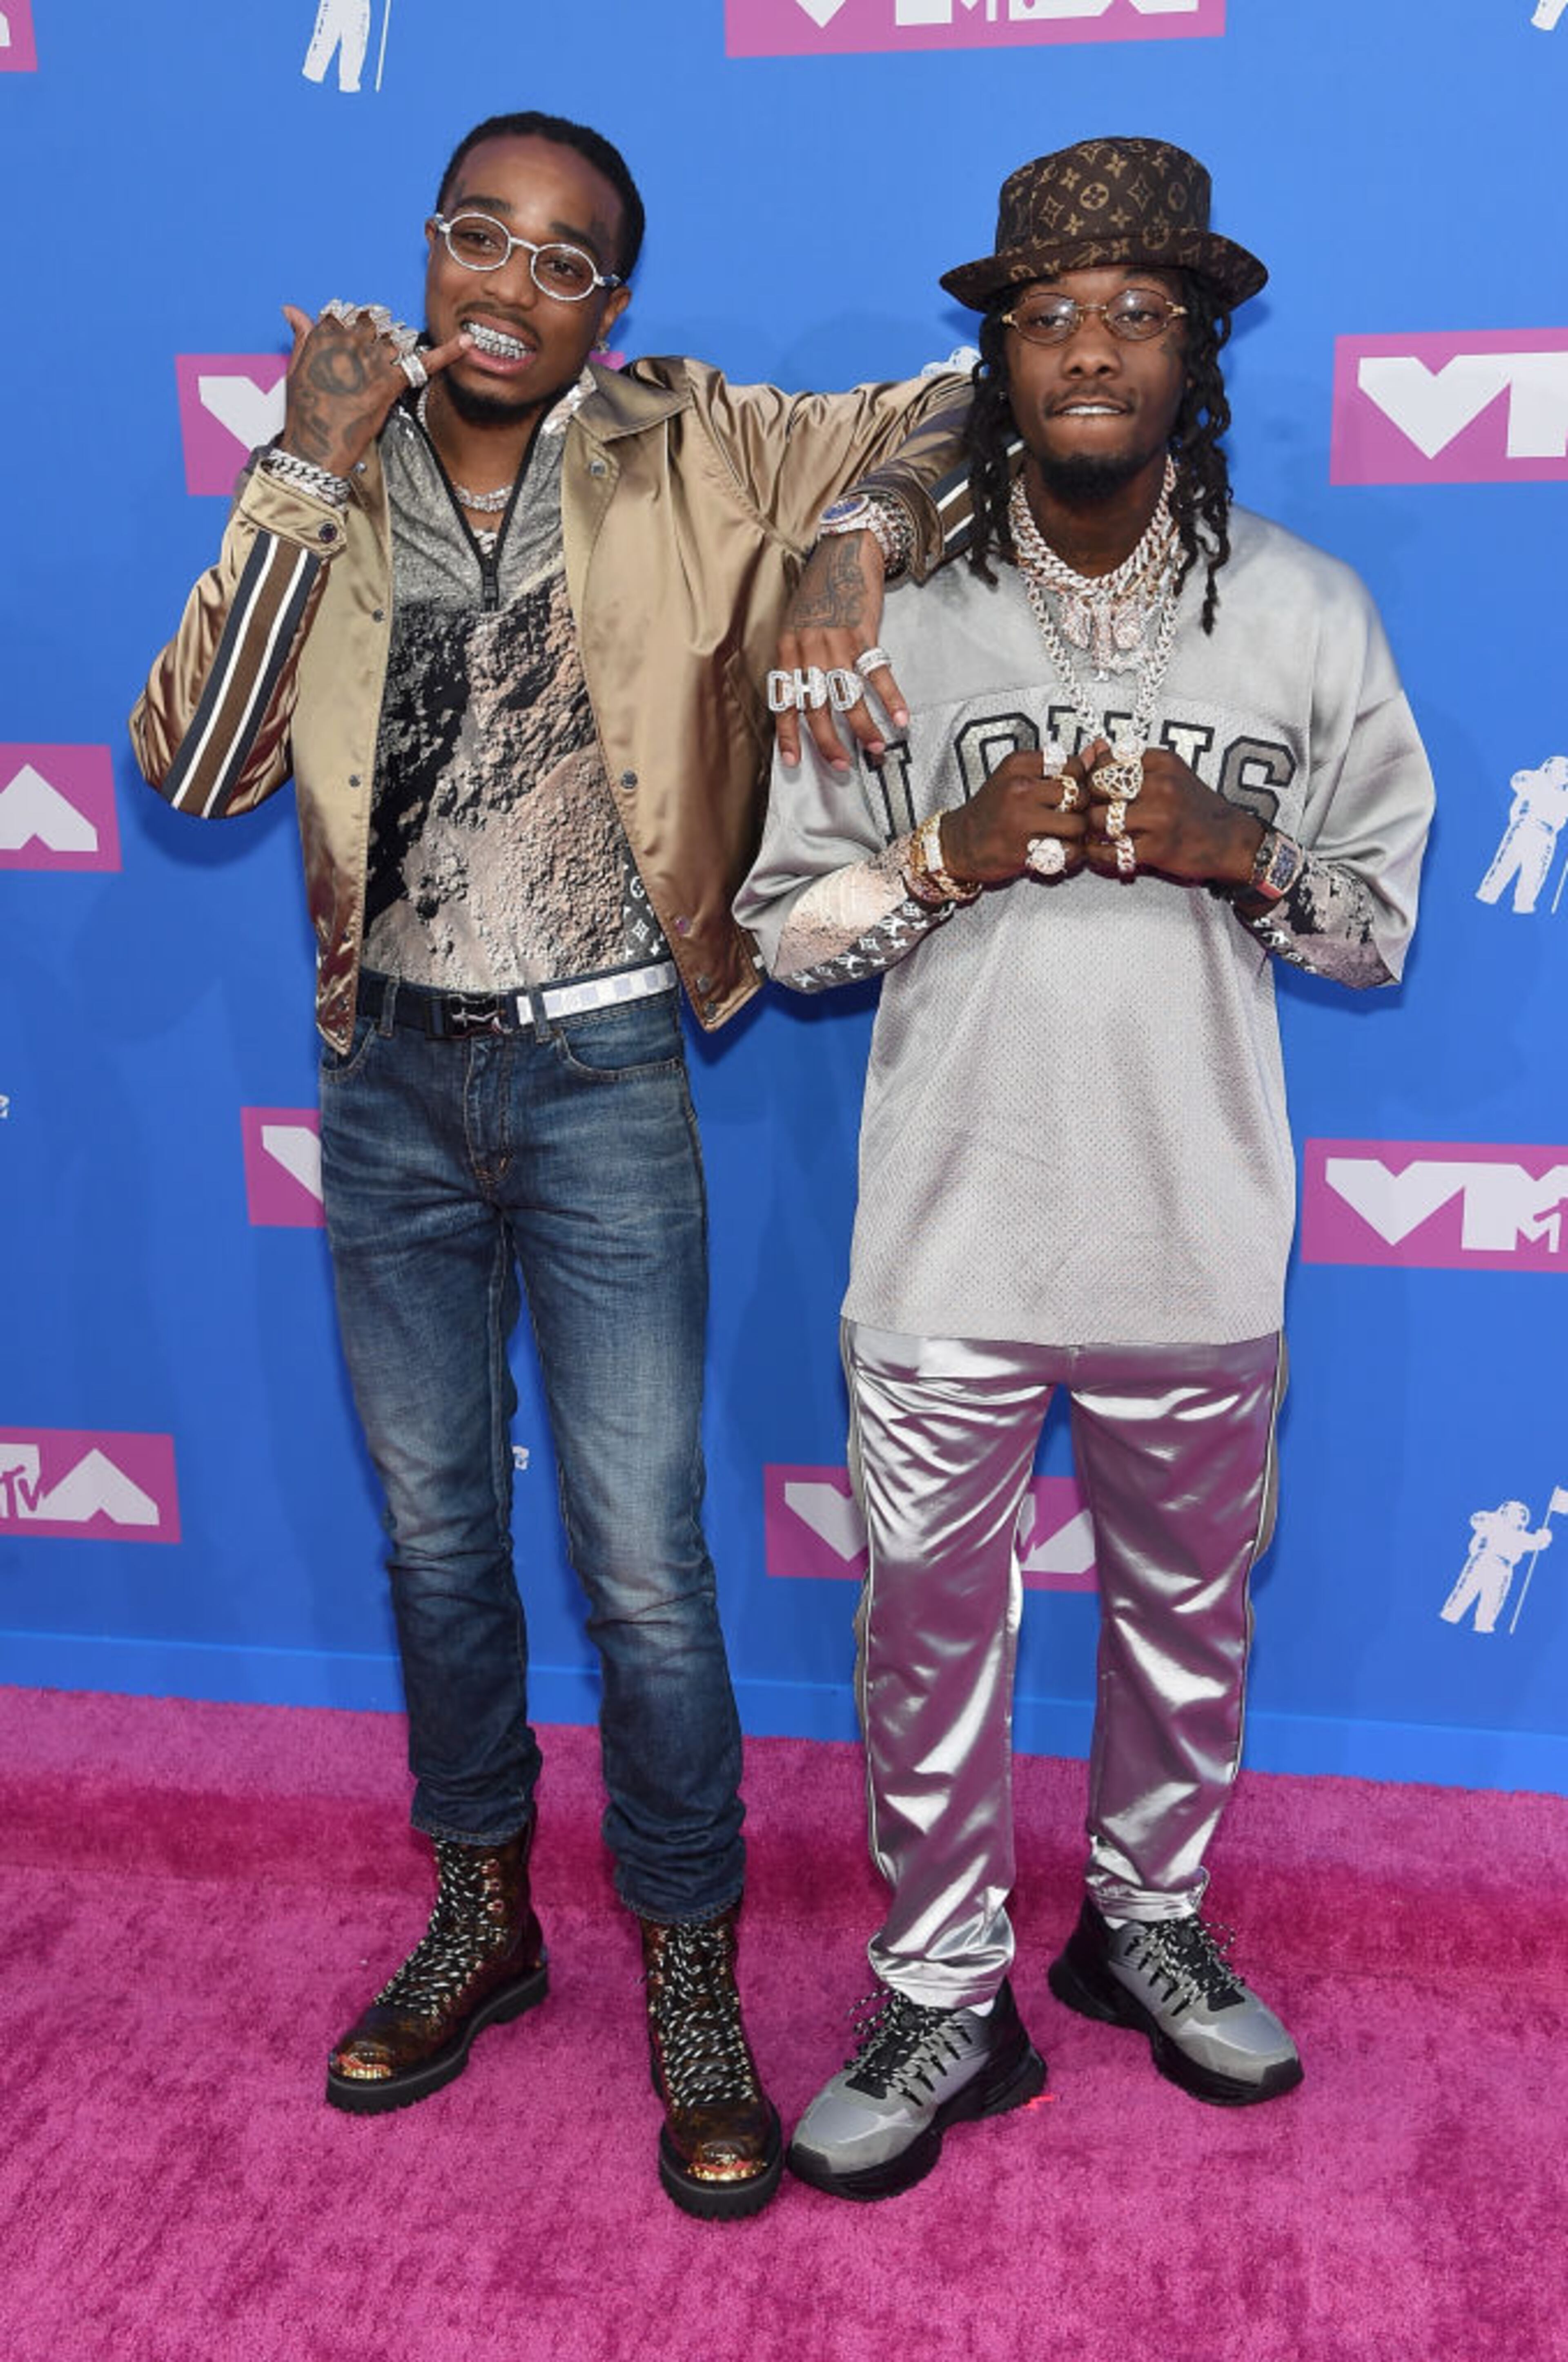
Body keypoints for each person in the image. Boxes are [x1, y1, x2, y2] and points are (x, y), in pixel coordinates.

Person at [131, 108, 964, 2220]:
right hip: (391, 1083)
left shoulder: (687, 446)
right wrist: (302, 462)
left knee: (647, 1571)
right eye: (478, 239)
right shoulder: (331, 479)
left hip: (603, 1077)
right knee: (433, 1540)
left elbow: (959, 398)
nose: (510, 284)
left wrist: (851, 538)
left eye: (566, 259)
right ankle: (483, 1912)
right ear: (425, 252)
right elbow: (202, 763)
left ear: (616, 306)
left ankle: (692, 1977)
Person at [738, 134, 1434, 2201]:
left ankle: (1143, 1924)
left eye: (1140, 312)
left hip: (1195, 1231)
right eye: (1052, 316)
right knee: (930, 1645)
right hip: (948, 1235)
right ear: (1003, 358)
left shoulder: (1305, 609)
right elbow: (784, 932)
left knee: (1184, 1625)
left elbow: (1380, 926)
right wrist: (945, 854)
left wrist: (1255, 859)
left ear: (1200, 352)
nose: (1094, 349)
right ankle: (947, 1985)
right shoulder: (884, 624)